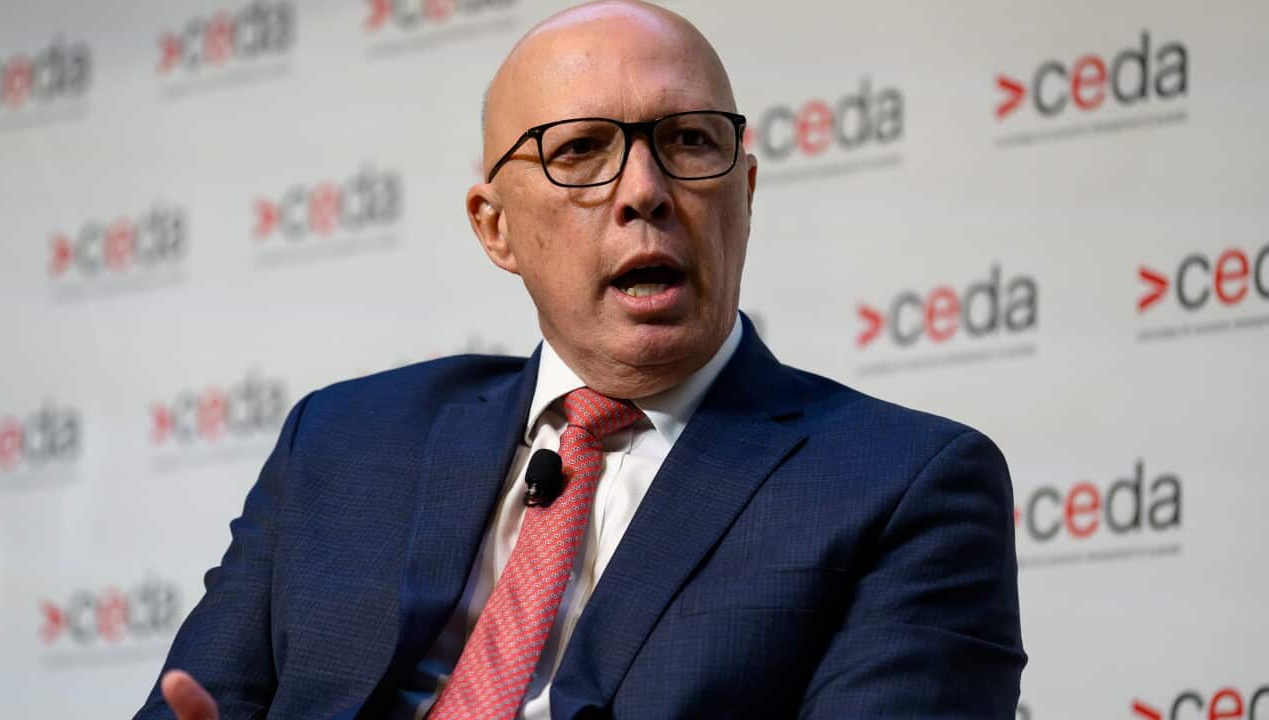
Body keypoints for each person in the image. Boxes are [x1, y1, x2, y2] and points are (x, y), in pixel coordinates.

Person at [136, 2, 1026, 718]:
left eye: (688, 141)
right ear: (496, 228)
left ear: (744, 193)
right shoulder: (341, 442)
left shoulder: (905, 484)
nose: (645, 192)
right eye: (579, 152)